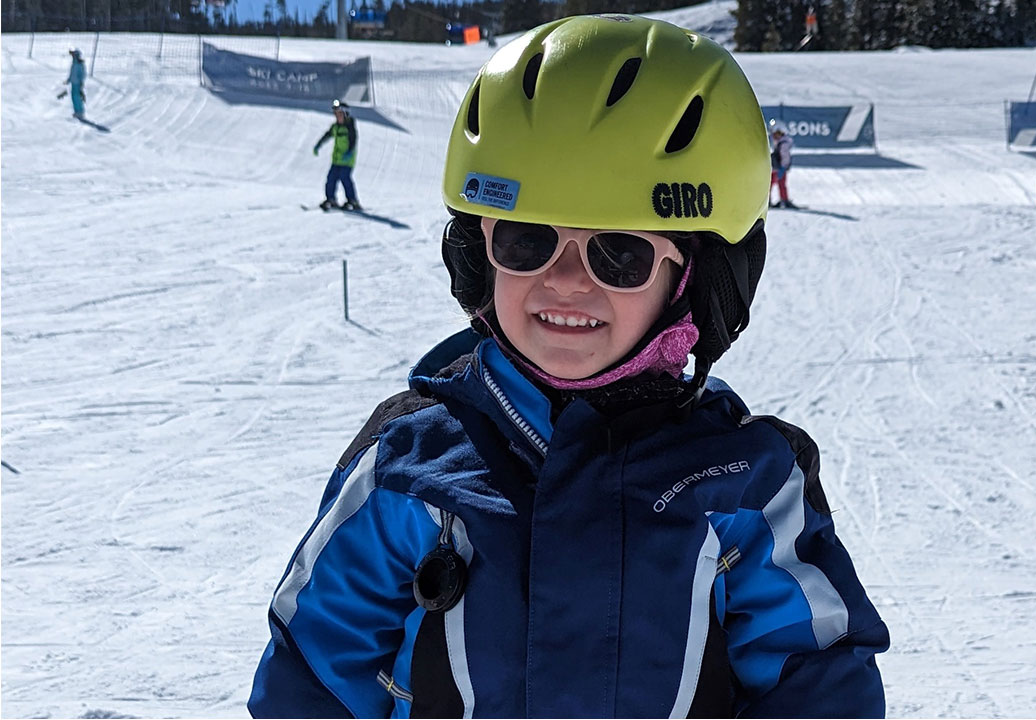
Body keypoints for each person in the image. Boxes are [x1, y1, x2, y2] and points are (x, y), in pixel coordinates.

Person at [249, 15, 888, 718]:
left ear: (693, 282)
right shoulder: (409, 471)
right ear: (476, 253)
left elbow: (818, 676)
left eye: (620, 254)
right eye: (526, 242)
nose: (566, 282)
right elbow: (312, 672)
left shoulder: (745, 486)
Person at [313, 100, 361, 211]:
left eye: (339, 114)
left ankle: (352, 200)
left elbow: (353, 141)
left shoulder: (350, 127)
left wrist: (349, 153)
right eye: (336, 114)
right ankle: (331, 199)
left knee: (345, 178)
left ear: (345, 114)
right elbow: (327, 135)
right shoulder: (335, 127)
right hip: (336, 160)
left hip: (347, 160)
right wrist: (319, 145)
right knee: (331, 178)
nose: (337, 116)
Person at [769, 120, 797, 209]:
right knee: (770, 184)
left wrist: (783, 167)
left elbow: (785, 156)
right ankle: (769, 200)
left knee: (781, 184)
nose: (773, 136)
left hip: (779, 168)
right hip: (775, 168)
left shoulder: (783, 144)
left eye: (775, 134)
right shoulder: (779, 143)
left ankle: (784, 200)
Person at [64, 48, 86, 119]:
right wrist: (69, 80)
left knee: (77, 98)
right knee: (73, 97)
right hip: (73, 83)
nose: (72, 56)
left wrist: (81, 82)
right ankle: (76, 111)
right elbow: (72, 73)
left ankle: (80, 112)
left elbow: (83, 74)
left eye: (73, 55)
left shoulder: (80, 64)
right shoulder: (74, 63)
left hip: (78, 83)